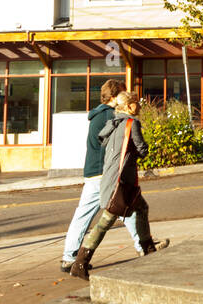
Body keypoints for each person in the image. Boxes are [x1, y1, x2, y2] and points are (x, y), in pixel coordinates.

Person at [69, 90, 167, 279]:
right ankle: (80, 263)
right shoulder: (132, 123)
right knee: (106, 221)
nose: (139, 106)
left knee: (141, 208)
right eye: (137, 103)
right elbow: (141, 149)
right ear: (129, 106)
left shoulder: (112, 123)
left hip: (112, 178)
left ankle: (148, 250)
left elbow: (106, 144)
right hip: (122, 182)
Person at [59, 80, 144, 272]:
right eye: (122, 95)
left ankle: (69, 257)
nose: (125, 98)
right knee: (126, 208)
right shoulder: (111, 115)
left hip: (92, 172)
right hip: (105, 172)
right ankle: (144, 247)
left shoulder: (97, 114)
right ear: (115, 97)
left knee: (84, 215)